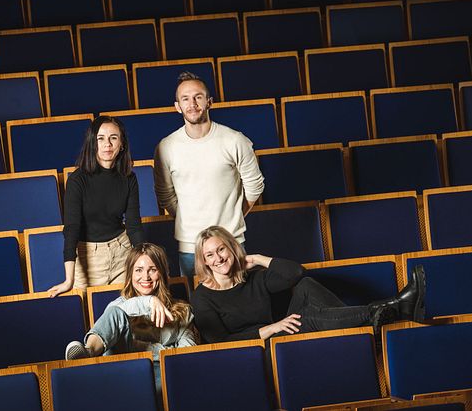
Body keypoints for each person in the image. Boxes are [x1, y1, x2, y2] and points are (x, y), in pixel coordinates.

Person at [190, 226, 426, 343]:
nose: (218, 258)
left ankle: (360, 332)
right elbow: (219, 342)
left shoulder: (253, 277)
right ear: (204, 262)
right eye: (209, 255)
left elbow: (295, 273)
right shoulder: (202, 297)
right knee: (309, 319)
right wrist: (270, 329)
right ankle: (393, 309)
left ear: (231, 248)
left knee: (306, 285)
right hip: (256, 347)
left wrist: (259, 259)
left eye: (221, 249)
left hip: (279, 331)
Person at [154, 72, 264, 278]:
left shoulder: (235, 140)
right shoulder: (166, 147)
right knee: (196, 305)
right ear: (177, 106)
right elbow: (165, 194)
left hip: (231, 240)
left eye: (198, 97)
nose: (192, 103)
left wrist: (235, 215)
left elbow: (255, 185)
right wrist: (187, 218)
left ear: (209, 102)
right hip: (190, 245)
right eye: (185, 99)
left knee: (238, 300)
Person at [64, 243, 197, 400]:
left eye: (152, 270)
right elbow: (120, 311)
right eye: (138, 270)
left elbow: (186, 355)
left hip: (164, 376)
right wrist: (149, 302)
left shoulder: (183, 310)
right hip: (125, 374)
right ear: (130, 274)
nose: (145, 277)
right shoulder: (118, 306)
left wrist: (148, 349)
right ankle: (88, 352)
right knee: (115, 313)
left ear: (162, 273)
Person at [48, 115, 144, 296]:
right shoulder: (77, 180)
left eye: (113, 138)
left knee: (128, 313)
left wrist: (143, 261)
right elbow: (71, 228)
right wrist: (69, 279)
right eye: (101, 138)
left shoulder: (129, 177)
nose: (107, 144)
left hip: (122, 251)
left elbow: (134, 225)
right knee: (93, 319)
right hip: (88, 257)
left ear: (121, 144)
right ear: (93, 143)